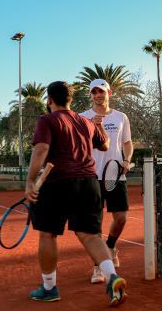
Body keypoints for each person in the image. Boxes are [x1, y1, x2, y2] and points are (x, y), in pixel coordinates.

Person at [25, 80, 127, 306]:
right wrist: (97, 126)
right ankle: (112, 277)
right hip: (89, 182)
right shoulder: (85, 121)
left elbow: (41, 149)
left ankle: (49, 287)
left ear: (49, 100)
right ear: (70, 100)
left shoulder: (47, 120)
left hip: (58, 183)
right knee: (90, 235)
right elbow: (104, 144)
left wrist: (30, 181)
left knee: (48, 234)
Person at [80, 79, 133, 284]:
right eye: (94, 92)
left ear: (109, 93)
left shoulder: (121, 117)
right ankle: (98, 267)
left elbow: (127, 143)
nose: (98, 95)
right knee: (95, 224)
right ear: (90, 95)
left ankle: (110, 246)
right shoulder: (83, 117)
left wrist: (127, 160)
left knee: (121, 218)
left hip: (115, 174)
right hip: (91, 176)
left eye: (101, 91)